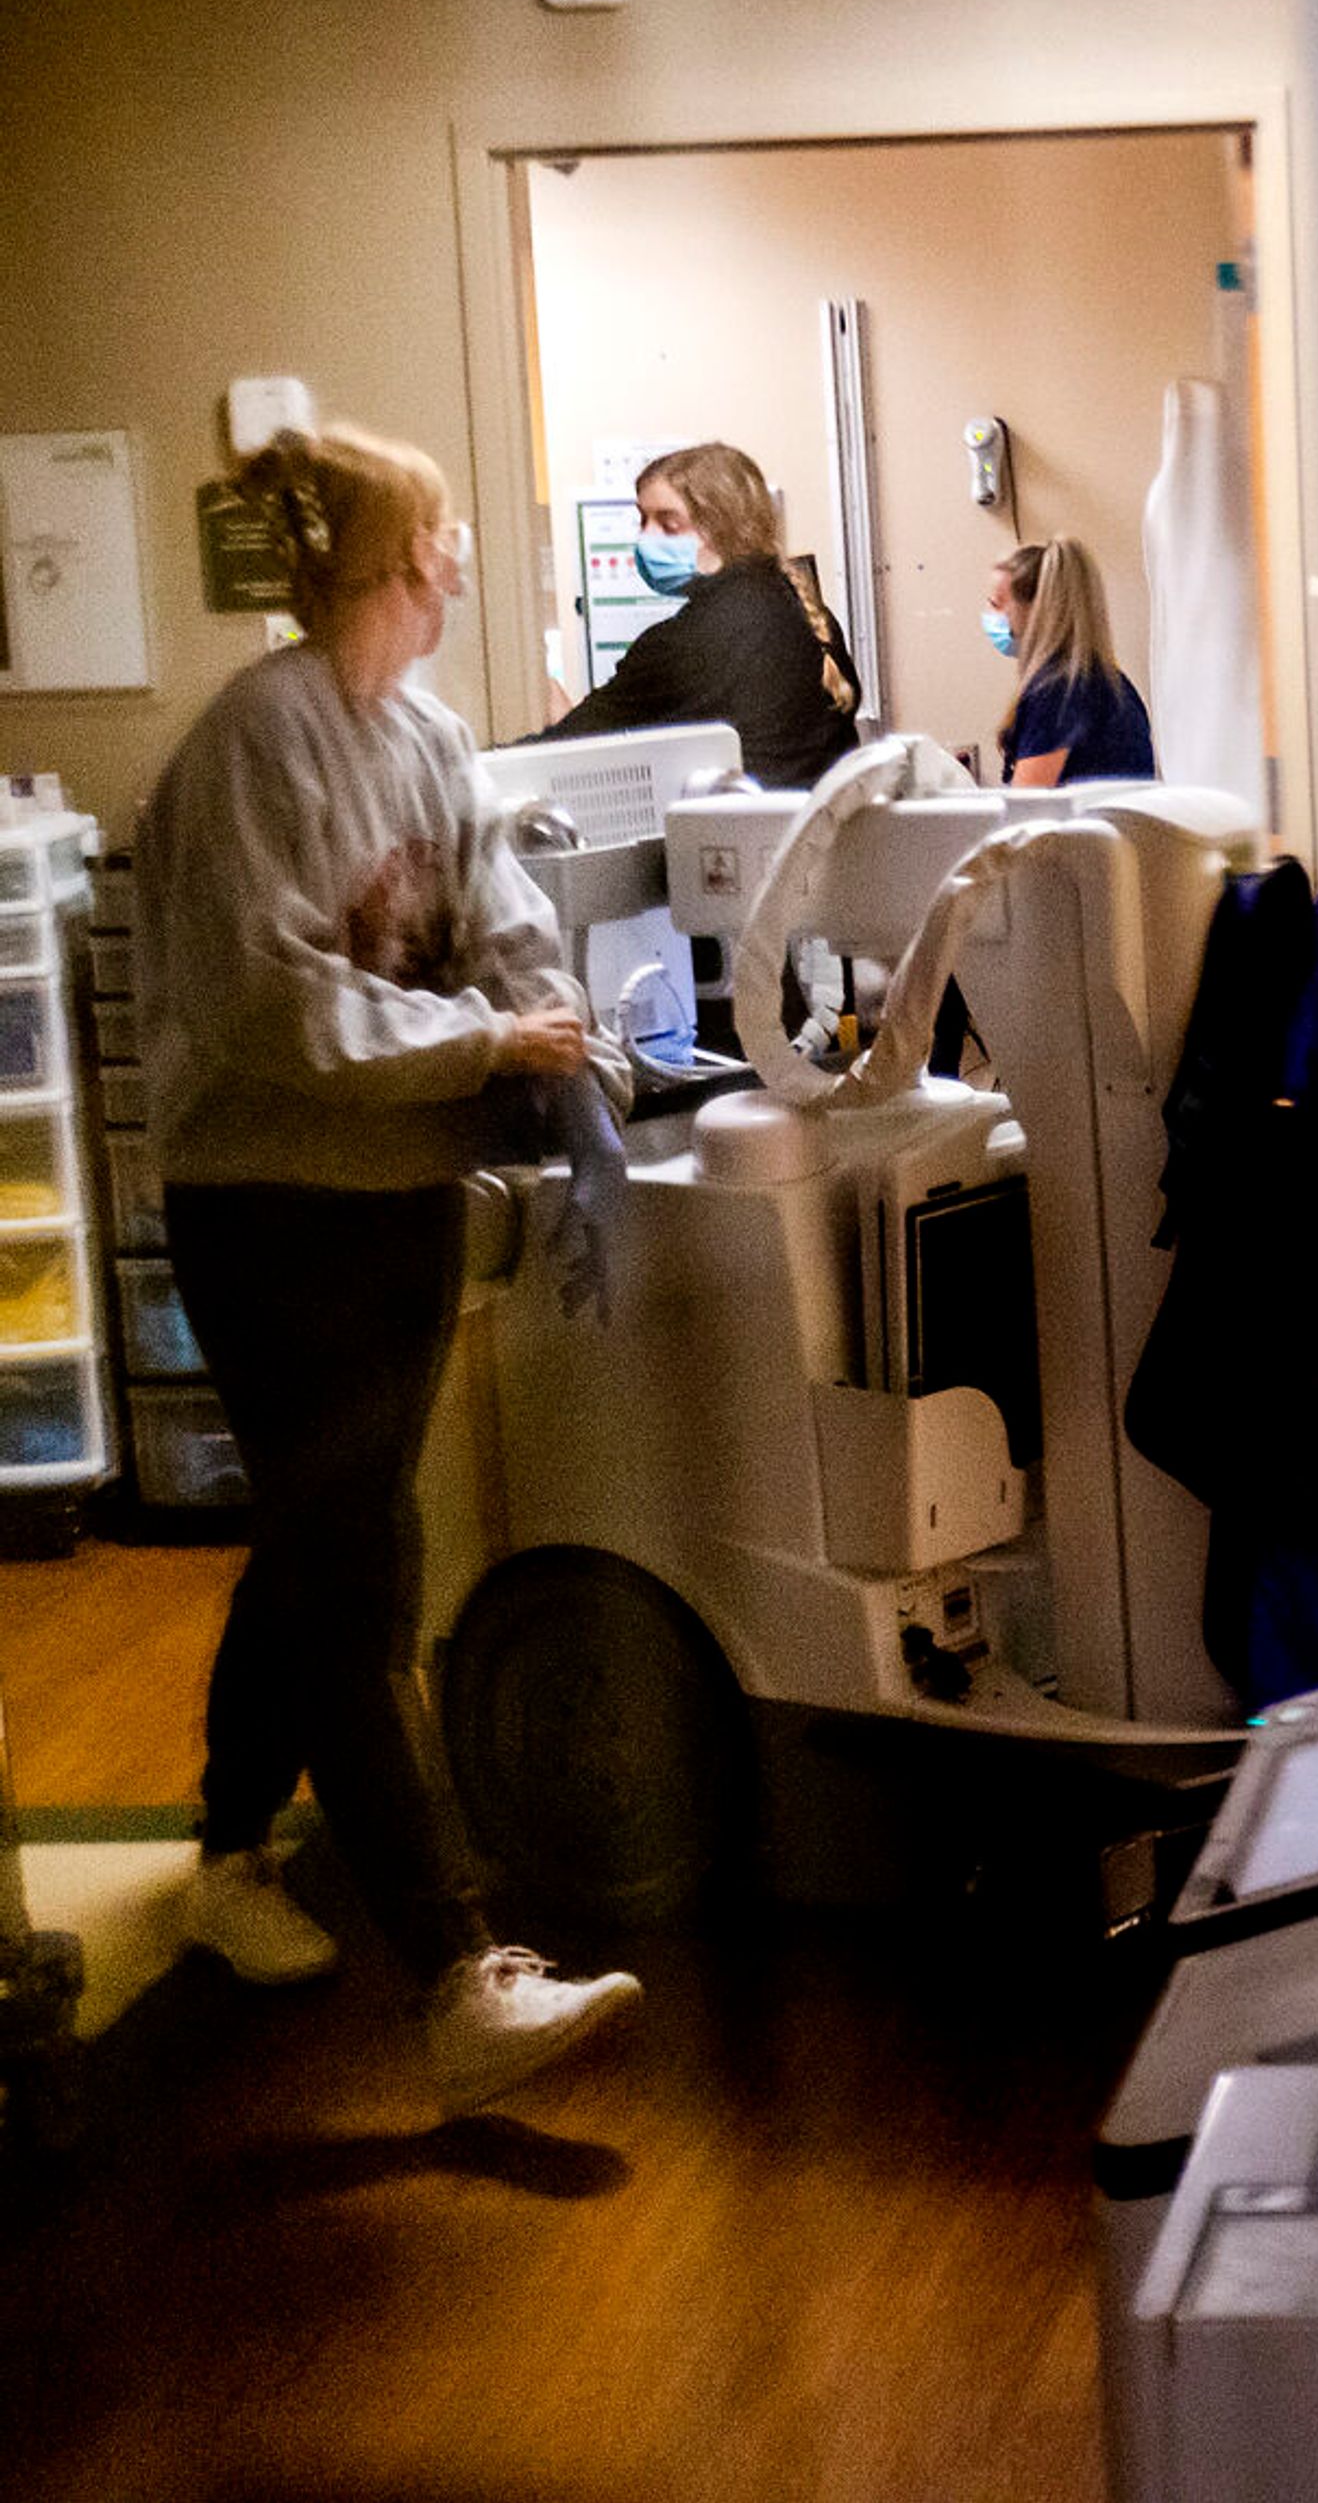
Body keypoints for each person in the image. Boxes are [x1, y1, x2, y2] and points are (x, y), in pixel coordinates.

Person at [139, 425, 644, 2115]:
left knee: (323, 1539)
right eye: (442, 536)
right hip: (269, 1198)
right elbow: (278, 1009)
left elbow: (499, 911)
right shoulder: (250, 747)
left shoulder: (428, 737)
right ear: (386, 559)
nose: (459, 564)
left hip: (397, 1194)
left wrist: (549, 1017)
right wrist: (488, 1032)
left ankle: (222, 1850)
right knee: (360, 1561)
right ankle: (456, 1965)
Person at [531, 440, 864, 788]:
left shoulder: (691, 639)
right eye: (643, 520)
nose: (646, 537)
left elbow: (566, 750)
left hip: (745, 834)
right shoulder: (809, 614)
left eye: (669, 524)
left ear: (723, 528)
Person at [988, 539, 1157, 786]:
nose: (991, 616)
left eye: (996, 604)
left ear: (1036, 611)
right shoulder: (1112, 684)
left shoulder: (1057, 693)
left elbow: (1027, 807)